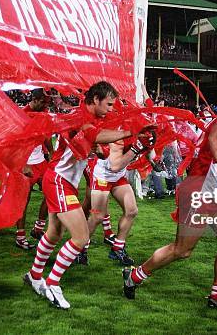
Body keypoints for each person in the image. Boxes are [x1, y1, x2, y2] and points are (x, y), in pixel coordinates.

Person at [123, 100, 217, 311]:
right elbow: (215, 140)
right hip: (198, 193)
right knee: (181, 250)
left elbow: (215, 153)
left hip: (211, 195)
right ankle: (134, 276)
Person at [23, 81, 151, 309]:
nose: (112, 109)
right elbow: (94, 136)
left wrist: (105, 148)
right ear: (95, 100)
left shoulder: (90, 119)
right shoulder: (80, 116)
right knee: (81, 237)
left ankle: (34, 275)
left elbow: (98, 150)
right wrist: (133, 132)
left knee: (53, 233)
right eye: (109, 104)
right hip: (59, 181)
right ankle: (52, 283)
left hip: (64, 182)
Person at [77, 136, 153, 266]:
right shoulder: (120, 134)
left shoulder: (144, 133)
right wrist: (136, 148)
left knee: (132, 211)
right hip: (103, 175)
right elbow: (114, 166)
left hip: (118, 176)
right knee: (97, 217)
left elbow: (149, 152)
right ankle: (79, 249)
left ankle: (118, 248)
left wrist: (153, 159)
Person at [15, 88, 53, 249]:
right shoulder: (22, 114)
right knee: (24, 201)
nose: (46, 105)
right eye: (43, 102)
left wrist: (51, 153)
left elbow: (46, 136)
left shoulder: (43, 113)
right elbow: (15, 142)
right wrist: (23, 164)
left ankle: (38, 227)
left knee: (52, 193)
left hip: (40, 161)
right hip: (25, 163)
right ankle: (20, 236)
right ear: (35, 99)